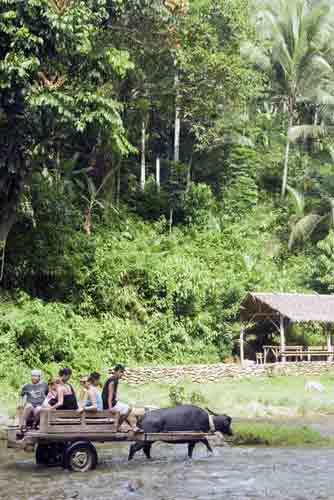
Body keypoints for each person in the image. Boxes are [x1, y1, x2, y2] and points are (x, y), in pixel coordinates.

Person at [102, 364, 141, 432]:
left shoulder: (114, 379)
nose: (122, 374)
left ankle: (130, 426)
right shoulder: (113, 380)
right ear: (116, 371)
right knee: (129, 409)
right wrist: (110, 407)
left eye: (123, 372)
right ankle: (124, 426)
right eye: (121, 372)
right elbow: (110, 395)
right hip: (108, 404)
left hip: (111, 402)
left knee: (126, 409)